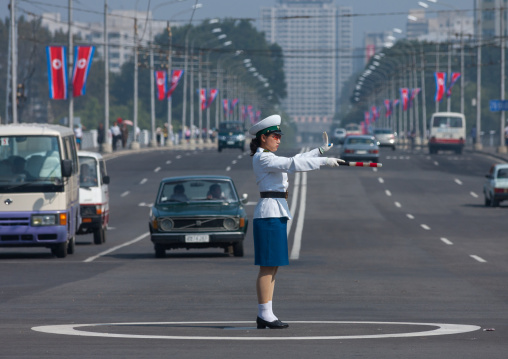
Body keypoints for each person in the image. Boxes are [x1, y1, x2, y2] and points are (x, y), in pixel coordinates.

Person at [249, 114, 344, 330]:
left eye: (279, 136)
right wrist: (324, 161)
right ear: (263, 137)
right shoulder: (263, 158)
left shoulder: (267, 156)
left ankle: (267, 312)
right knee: (267, 266)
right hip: (269, 213)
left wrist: (319, 151)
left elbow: (295, 159)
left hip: (276, 210)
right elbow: (292, 163)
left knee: (273, 266)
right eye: (275, 136)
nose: (278, 139)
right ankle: (264, 314)